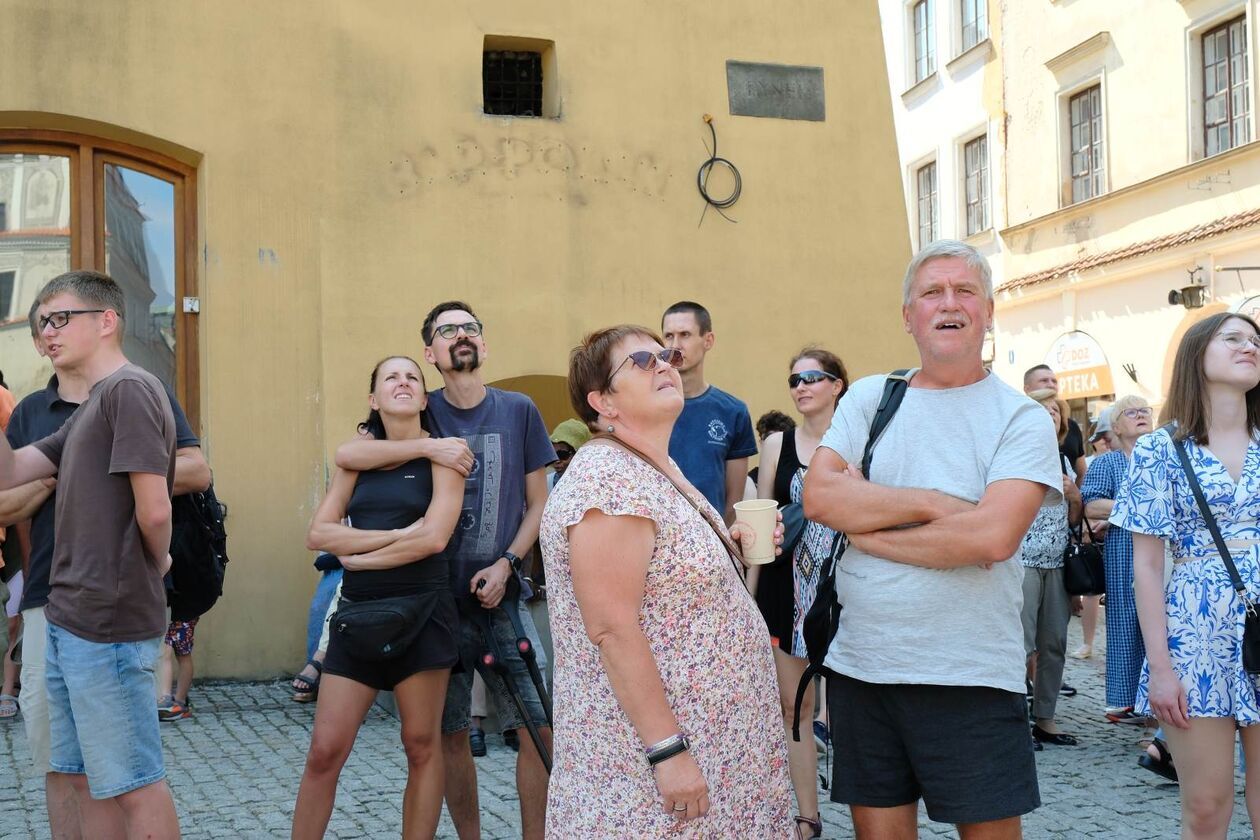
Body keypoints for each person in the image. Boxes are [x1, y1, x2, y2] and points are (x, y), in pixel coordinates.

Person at [803, 240, 1060, 838]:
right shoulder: (869, 397)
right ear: (908, 316)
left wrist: (866, 530)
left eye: (965, 291)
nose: (950, 304)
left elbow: (993, 538)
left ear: (989, 311)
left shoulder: (1020, 418)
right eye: (932, 293)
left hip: (970, 674)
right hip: (864, 669)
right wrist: (937, 506)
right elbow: (820, 499)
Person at [540, 324, 792, 836]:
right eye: (641, 361)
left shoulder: (651, 466)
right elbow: (612, 628)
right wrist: (668, 752)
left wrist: (729, 547)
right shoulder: (608, 478)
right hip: (648, 766)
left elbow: (664, 580)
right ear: (602, 402)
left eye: (667, 355)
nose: (664, 364)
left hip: (717, 749)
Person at [336, 301, 554, 840]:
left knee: (540, 729)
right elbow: (352, 452)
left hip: (502, 598)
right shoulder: (417, 408)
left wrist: (508, 564)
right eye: (447, 330)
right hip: (432, 603)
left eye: (471, 327)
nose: (462, 335)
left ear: (484, 344)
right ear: (430, 352)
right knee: (450, 734)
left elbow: (539, 504)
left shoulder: (519, 409)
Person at [0, 292, 208, 838]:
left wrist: (158, 557)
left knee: (134, 782)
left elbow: (156, 505)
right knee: (82, 776)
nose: (48, 332)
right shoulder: (95, 403)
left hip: (107, 621)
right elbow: (13, 469)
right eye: (42, 324)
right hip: (68, 616)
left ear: (108, 320)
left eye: (61, 319)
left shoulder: (131, 390)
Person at [292, 355, 464, 839]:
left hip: (424, 610)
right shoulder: (354, 460)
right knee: (325, 749)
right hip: (358, 614)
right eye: (391, 377)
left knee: (420, 745)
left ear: (425, 397)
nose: (403, 383)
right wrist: (391, 540)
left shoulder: (444, 454)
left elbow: (432, 540)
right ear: (374, 398)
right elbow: (319, 533)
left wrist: (360, 553)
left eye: (413, 377)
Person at [1112, 312, 1260, 837]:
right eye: (1234, 338)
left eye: (1255, 341)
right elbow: (1147, 567)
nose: (1250, 347)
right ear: (1198, 353)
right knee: (1206, 806)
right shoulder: (1160, 449)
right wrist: (1161, 668)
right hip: (1195, 635)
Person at [747, 346, 846, 839]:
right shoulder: (776, 444)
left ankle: (874, 807)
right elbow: (762, 521)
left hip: (847, 588)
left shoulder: (858, 440)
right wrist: (748, 595)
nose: (801, 386)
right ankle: (808, 816)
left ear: (837, 386)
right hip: (786, 591)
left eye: (812, 377)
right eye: (794, 380)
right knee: (794, 706)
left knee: (854, 706)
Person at [1081, 394, 1154, 724]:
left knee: (1162, 624)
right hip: (1124, 552)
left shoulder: (1163, 457)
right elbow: (1091, 506)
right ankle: (1127, 701)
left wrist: (1120, 511)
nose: (1140, 416)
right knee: (1127, 622)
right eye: (1132, 412)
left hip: (1163, 551)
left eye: (1145, 411)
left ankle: (1157, 701)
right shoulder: (1107, 463)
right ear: (1116, 426)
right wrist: (1133, 503)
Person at [1020, 389, 1082, 748]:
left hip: (1057, 563)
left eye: (1055, 411)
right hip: (1022, 561)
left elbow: (1073, 520)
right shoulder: (1015, 455)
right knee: (1022, 645)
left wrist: (1075, 496)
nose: (1049, 415)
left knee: (1054, 643)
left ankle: (1045, 717)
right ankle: (1014, 721)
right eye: (1041, 410)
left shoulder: (1064, 462)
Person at [661, 301, 757, 522]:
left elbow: (733, 505)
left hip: (711, 539)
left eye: (685, 334)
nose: (675, 345)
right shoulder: (647, 407)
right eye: (668, 336)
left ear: (708, 340)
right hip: (656, 539)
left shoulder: (733, 412)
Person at [1072, 408, 1114, 661]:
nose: (1102, 443)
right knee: (1092, 591)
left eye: (1104, 437)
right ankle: (1087, 643)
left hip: (1109, 532)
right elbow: (1088, 503)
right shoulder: (1095, 463)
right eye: (1099, 439)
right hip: (1097, 537)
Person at [1025, 364, 1087, 484]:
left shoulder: (1071, 426)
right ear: (1027, 389)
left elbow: (1082, 473)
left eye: (1054, 381)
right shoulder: (1015, 424)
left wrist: (1076, 497)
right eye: (1044, 380)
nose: (1051, 384)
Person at [547, 418, 590, 489]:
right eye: (552, 454)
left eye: (563, 454)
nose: (556, 460)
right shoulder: (546, 484)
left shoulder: (595, 482)